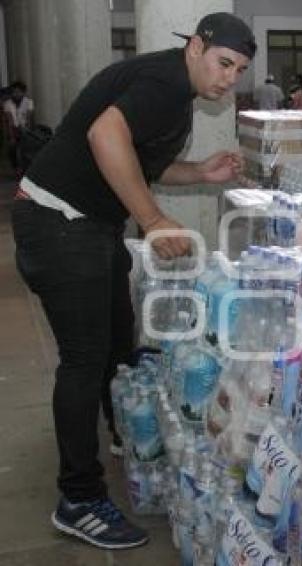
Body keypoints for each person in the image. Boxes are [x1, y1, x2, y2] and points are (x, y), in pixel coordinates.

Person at [11, 12, 254, 550]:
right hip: (58, 222)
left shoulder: (172, 88)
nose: (228, 78)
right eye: (223, 63)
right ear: (195, 47)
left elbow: (140, 162)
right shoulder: (166, 81)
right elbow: (105, 134)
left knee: (118, 345)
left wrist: (199, 172)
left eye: (237, 70)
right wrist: (153, 219)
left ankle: (124, 428)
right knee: (84, 357)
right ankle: (78, 498)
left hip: (89, 225)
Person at [2, 80, 34, 176]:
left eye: (19, 92)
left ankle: (24, 168)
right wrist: (11, 136)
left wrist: (26, 129)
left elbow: (29, 118)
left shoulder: (29, 102)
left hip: (25, 128)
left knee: (25, 147)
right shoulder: (7, 103)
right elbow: (9, 120)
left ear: (23, 92)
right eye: (14, 92)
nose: (16, 94)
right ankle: (16, 167)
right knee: (12, 148)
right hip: (13, 128)